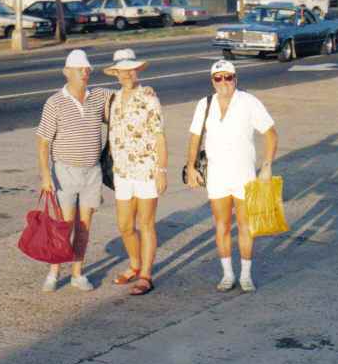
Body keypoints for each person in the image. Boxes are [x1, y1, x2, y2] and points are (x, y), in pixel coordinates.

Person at [186, 60, 278, 292]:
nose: (224, 82)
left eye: (228, 77)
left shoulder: (248, 102)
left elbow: (271, 134)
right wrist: (191, 167)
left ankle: (246, 275)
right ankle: (228, 274)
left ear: (235, 79)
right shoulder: (204, 104)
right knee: (221, 225)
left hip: (244, 175)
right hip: (217, 176)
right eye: (219, 78)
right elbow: (195, 137)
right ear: (212, 81)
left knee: (245, 226)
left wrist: (267, 165)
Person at [36, 49, 110, 292]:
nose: (85, 72)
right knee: (64, 225)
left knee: (84, 226)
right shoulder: (55, 102)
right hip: (65, 172)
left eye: (87, 69)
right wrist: (46, 176)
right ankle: (54, 272)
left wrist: (145, 91)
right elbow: (43, 142)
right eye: (79, 69)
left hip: (92, 171)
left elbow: (124, 97)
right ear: (67, 72)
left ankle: (78, 273)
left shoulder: (98, 96)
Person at [103, 48, 167, 296]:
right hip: (122, 172)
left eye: (131, 70)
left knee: (146, 224)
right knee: (125, 226)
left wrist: (161, 169)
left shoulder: (149, 98)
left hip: (146, 170)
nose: (127, 75)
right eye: (122, 71)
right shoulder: (112, 100)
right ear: (116, 74)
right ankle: (134, 263)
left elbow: (160, 137)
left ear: (137, 71)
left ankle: (145, 275)